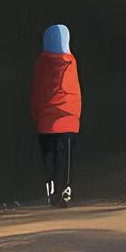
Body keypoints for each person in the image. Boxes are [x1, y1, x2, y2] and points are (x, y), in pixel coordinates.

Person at [30, 23, 81, 207]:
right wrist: (76, 116)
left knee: (49, 157)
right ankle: (65, 188)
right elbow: (75, 92)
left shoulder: (41, 63)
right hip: (68, 118)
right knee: (65, 157)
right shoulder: (71, 61)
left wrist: (36, 115)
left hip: (45, 121)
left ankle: (51, 189)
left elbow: (37, 92)